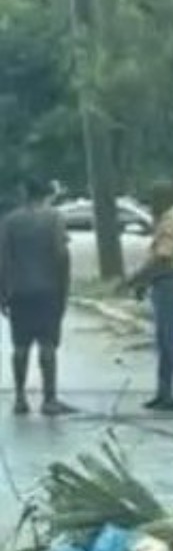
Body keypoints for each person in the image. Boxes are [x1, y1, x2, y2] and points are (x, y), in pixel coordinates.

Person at [0, 178, 71, 416]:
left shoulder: (10, 221)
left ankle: (20, 398)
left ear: (24, 193)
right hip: (48, 290)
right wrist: (64, 288)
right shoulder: (54, 219)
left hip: (19, 291)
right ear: (45, 195)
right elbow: (61, 254)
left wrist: (3, 292)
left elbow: (3, 259)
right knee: (47, 344)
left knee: (20, 346)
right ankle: (49, 399)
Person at [128, 182, 173, 412]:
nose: (150, 203)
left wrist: (137, 278)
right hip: (167, 282)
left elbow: (163, 257)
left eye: (153, 198)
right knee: (165, 342)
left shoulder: (171, 221)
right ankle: (165, 392)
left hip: (171, 283)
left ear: (164, 198)